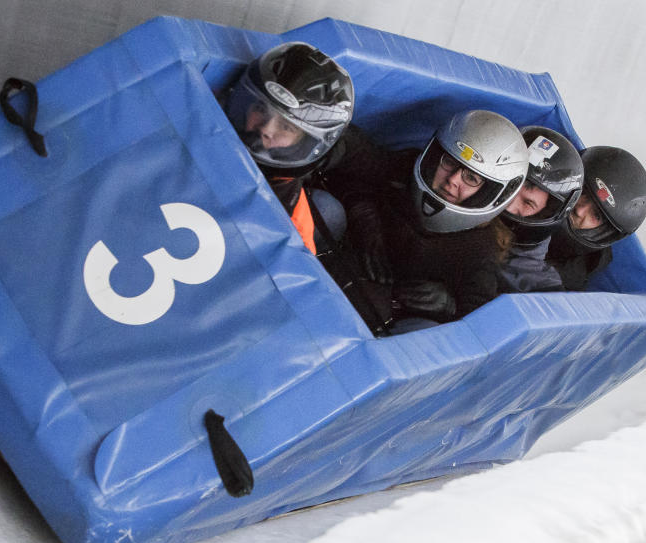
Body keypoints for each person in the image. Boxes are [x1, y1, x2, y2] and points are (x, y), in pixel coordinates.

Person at [324, 109, 530, 329]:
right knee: (326, 209)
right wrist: (360, 208)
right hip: (335, 260)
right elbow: (363, 156)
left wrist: (450, 306)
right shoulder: (407, 169)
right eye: (449, 162)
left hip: (377, 314)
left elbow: (479, 321)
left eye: (471, 178)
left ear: (490, 193)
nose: (452, 180)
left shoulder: (480, 250)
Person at [223, 42, 354, 252]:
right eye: (260, 109)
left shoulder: (294, 219)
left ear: (304, 141)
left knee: (329, 212)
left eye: (285, 126)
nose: (266, 129)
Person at [546, 145, 646, 290]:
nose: (580, 210)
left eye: (596, 215)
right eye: (583, 193)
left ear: (602, 232)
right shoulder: (526, 196)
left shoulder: (563, 279)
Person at [495, 126, 584, 293]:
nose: (509, 205)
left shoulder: (543, 289)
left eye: (528, 203)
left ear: (545, 214)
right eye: (510, 188)